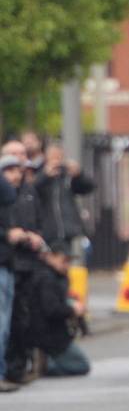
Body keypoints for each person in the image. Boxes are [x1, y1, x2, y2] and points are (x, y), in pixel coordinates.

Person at [3, 142, 45, 382]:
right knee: (8, 318)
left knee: (23, 317)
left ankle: (21, 365)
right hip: (9, 260)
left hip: (28, 261)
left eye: (22, 156)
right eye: (13, 156)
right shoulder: (5, 191)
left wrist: (35, 235)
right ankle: (10, 367)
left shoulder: (29, 190)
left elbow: (40, 221)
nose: (19, 162)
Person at [27, 242, 90, 376]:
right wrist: (73, 310)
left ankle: (48, 362)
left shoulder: (59, 277)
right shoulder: (46, 278)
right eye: (64, 261)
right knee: (82, 365)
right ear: (51, 257)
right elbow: (51, 309)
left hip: (56, 333)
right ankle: (47, 366)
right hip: (49, 334)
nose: (67, 265)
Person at [35, 143, 96, 257]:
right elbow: (32, 189)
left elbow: (89, 187)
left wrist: (78, 174)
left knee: (68, 263)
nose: (56, 160)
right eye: (53, 156)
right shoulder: (39, 172)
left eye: (59, 156)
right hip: (47, 231)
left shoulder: (67, 175)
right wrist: (45, 175)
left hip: (68, 231)